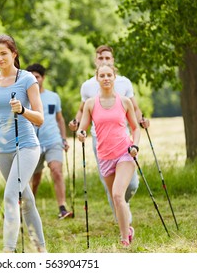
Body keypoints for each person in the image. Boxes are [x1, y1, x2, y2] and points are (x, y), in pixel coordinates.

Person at [0, 35, 46, 253]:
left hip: (27, 146)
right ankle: (42, 250)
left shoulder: (27, 80)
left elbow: (40, 117)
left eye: (3, 53)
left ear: (14, 54)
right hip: (3, 150)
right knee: (28, 200)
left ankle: (8, 252)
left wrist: (22, 110)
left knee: (11, 196)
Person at [69, 45, 149, 224]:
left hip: (122, 139)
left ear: (112, 61)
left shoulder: (124, 83)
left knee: (132, 185)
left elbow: (134, 108)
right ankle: (122, 221)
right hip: (100, 139)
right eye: (100, 58)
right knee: (111, 187)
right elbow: (83, 111)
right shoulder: (88, 86)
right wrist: (77, 126)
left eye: (107, 58)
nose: (104, 61)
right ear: (96, 61)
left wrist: (142, 120)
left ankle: (121, 204)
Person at [77, 63, 140, 246]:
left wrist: (135, 145)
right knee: (115, 197)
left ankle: (123, 238)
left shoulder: (124, 102)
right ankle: (128, 229)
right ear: (97, 78)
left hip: (124, 153)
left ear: (114, 77)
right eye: (102, 75)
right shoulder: (90, 104)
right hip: (104, 156)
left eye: (109, 75)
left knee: (118, 195)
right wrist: (81, 134)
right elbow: (83, 129)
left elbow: (135, 128)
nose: (106, 78)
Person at [26, 63, 73, 219]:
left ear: (43, 78)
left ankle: (62, 207)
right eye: (31, 77)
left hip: (53, 140)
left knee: (57, 171)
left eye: (37, 76)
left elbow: (60, 119)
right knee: (35, 178)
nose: (35, 79)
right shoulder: (25, 98)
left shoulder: (53, 97)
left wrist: (64, 138)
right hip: (33, 143)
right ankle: (28, 204)